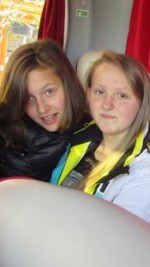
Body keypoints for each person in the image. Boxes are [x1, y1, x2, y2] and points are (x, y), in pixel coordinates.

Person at [51, 50, 150, 223]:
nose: (107, 104)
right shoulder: (81, 136)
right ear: (88, 94)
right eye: (99, 91)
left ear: (142, 103)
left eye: (122, 95)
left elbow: (112, 236)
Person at [0, 39, 89, 182]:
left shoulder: (90, 136)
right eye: (29, 98)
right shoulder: (6, 121)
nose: (42, 109)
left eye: (49, 92)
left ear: (67, 84)